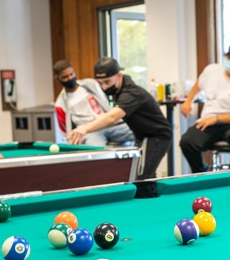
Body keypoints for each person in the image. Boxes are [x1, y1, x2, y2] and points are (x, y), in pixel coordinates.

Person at [66, 57, 172, 185]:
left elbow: (112, 117)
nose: (104, 87)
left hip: (157, 136)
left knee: (142, 178)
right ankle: (152, 199)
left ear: (119, 75)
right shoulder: (118, 87)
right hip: (142, 135)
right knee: (143, 176)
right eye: (100, 83)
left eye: (107, 82)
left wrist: (84, 128)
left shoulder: (131, 92)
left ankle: (149, 202)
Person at [179, 41, 230, 172]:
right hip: (208, 122)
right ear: (225, 56)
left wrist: (216, 119)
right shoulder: (212, 70)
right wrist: (189, 101)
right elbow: (199, 84)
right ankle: (201, 174)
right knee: (187, 141)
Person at [52, 60, 134, 146]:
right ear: (57, 78)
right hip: (89, 132)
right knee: (97, 153)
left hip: (109, 125)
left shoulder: (91, 84)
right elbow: (66, 131)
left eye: (71, 74)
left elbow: (106, 101)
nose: (70, 78)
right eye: (65, 77)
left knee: (140, 131)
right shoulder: (60, 104)